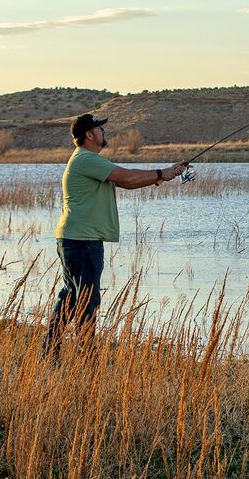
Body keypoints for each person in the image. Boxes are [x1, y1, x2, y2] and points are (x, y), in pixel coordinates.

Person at [43, 113, 188, 356]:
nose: (103, 133)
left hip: (75, 239)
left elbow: (128, 183)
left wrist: (165, 174)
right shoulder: (86, 159)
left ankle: (50, 353)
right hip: (82, 241)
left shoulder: (85, 160)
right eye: (100, 129)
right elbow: (128, 176)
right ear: (89, 135)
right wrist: (162, 173)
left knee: (70, 298)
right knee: (87, 301)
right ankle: (87, 359)